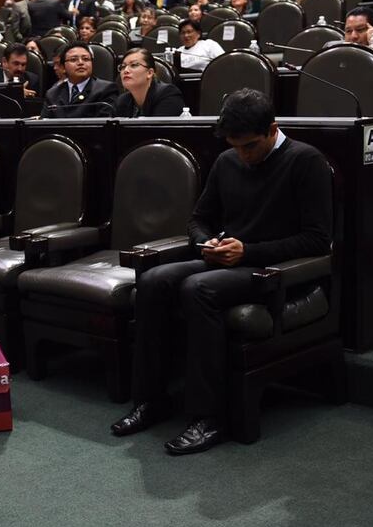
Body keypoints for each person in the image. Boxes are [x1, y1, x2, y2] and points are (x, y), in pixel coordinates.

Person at [111, 88, 333, 455]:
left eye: (250, 146)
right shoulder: (228, 160)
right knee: (151, 280)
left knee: (197, 289)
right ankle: (151, 399)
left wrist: (250, 251)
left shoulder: (305, 161)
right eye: (236, 146)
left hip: (272, 269)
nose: (243, 155)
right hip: (226, 259)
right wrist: (206, 243)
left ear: (273, 129)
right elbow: (199, 219)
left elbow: (317, 240)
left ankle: (209, 417)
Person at [40, 40, 118, 118]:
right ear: (63, 67)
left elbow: (105, 125)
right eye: (73, 60)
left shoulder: (106, 89)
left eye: (86, 59)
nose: (81, 63)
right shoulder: (52, 94)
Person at [113, 48, 184, 117]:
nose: (126, 70)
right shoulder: (122, 101)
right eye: (123, 66)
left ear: (150, 73)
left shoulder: (168, 94)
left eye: (134, 65)